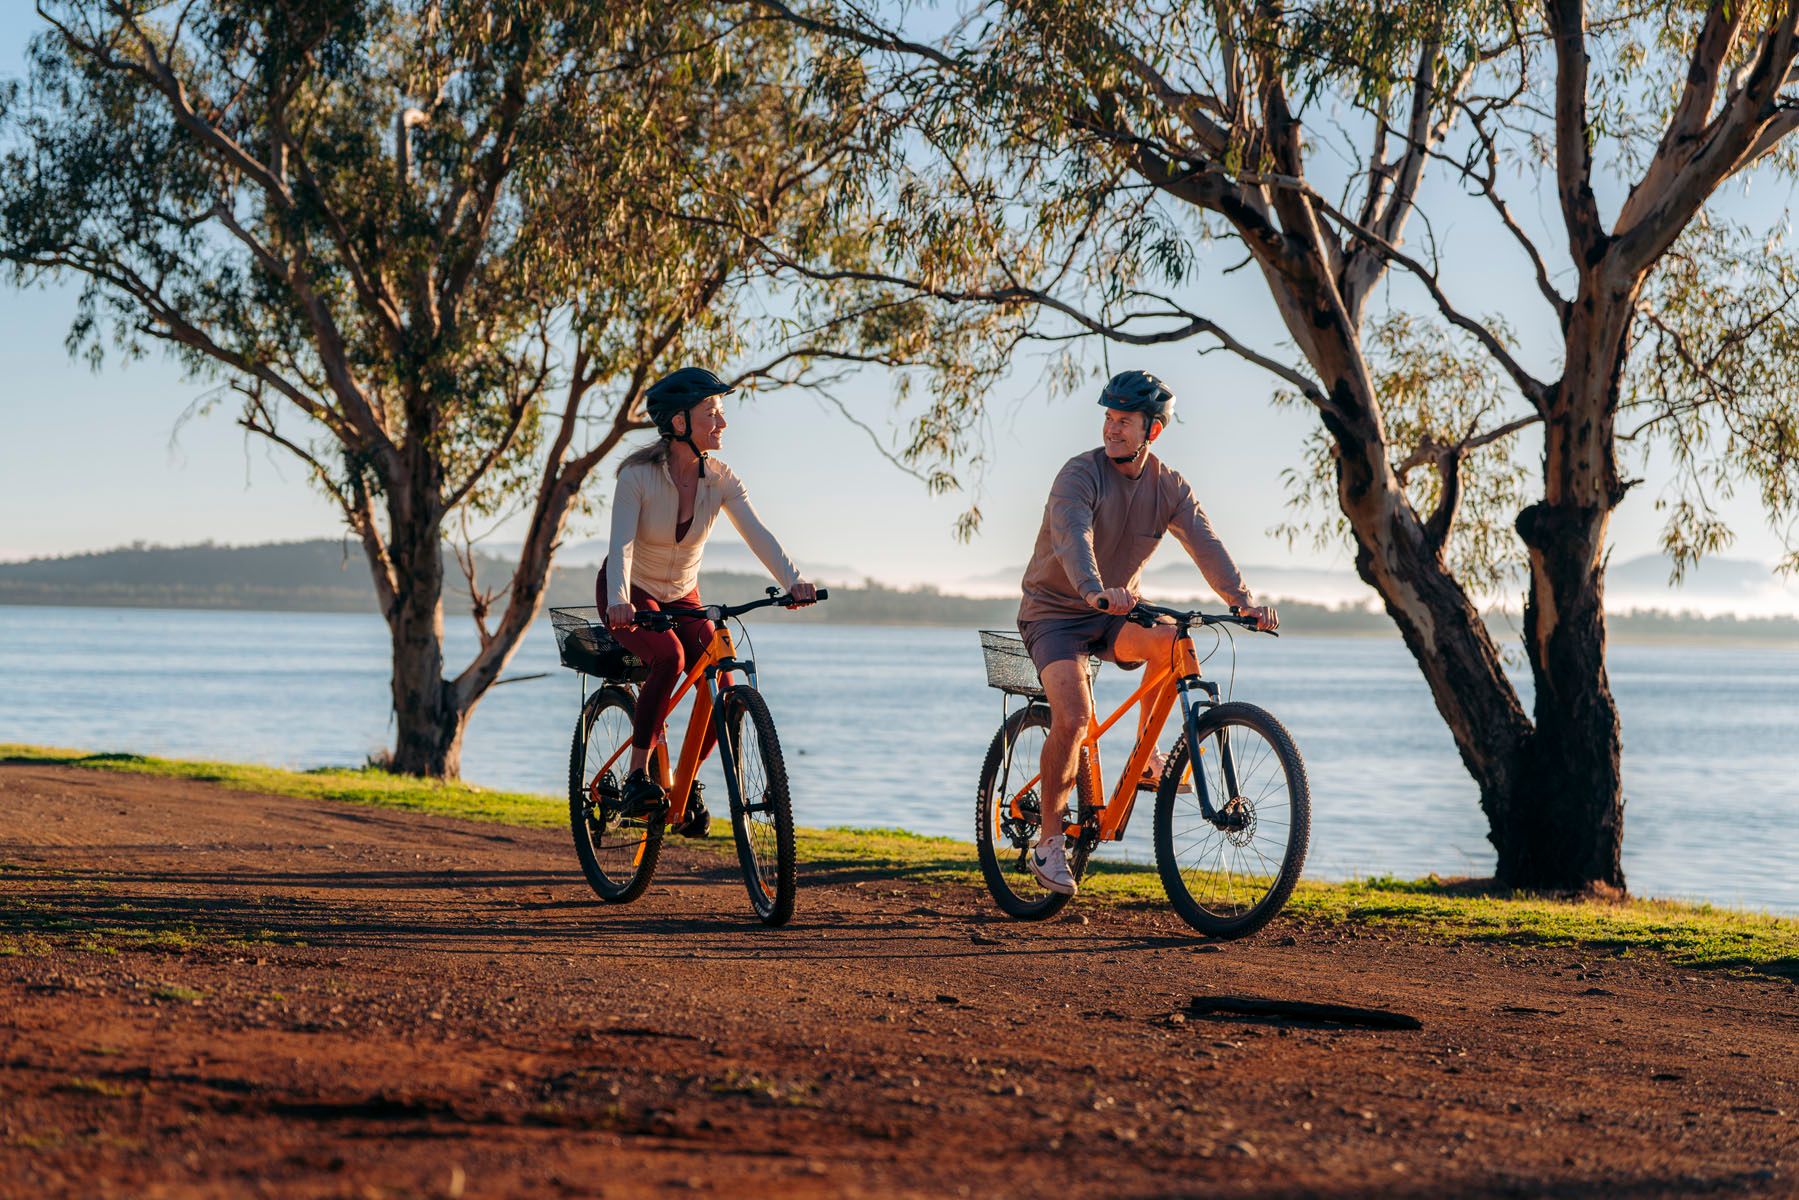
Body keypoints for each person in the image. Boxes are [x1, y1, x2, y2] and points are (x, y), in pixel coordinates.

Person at [1016, 370, 1278, 895]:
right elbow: (1073, 536)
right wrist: (1094, 589)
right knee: (1075, 716)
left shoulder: (1169, 487)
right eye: (1108, 418)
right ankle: (1048, 843)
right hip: (1055, 613)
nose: (1112, 429)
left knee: (1173, 641)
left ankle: (1147, 758)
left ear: (1152, 431)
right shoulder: (1079, 474)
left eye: (1124, 422)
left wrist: (1242, 601)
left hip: (1113, 614)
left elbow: (1205, 541)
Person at [597, 366, 817, 834]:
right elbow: (621, 547)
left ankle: (684, 782)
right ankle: (637, 775)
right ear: (679, 423)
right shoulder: (637, 476)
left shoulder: (720, 478)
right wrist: (619, 600)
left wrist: (794, 581)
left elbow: (758, 535)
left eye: (722, 413)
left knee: (721, 673)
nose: (722, 423)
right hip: (630, 593)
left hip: (681, 596)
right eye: (711, 413)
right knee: (671, 658)